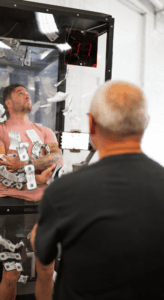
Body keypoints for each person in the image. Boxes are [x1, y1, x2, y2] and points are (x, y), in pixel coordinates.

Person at [31, 80, 164, 300]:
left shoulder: (63, 192)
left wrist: (38, 236)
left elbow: (44, 257)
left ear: (91, 124)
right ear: (145, 124)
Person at [0, 83, 62, 300]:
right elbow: (1, 172)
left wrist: (21, 164)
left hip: (45, 208)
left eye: (28, 93)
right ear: (8, 103)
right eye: (21, 93)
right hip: (13, 207)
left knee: (46, 270)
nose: (27, 95)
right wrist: (37, 178)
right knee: (11, 273)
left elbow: (56, 159)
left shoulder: (44, 131)